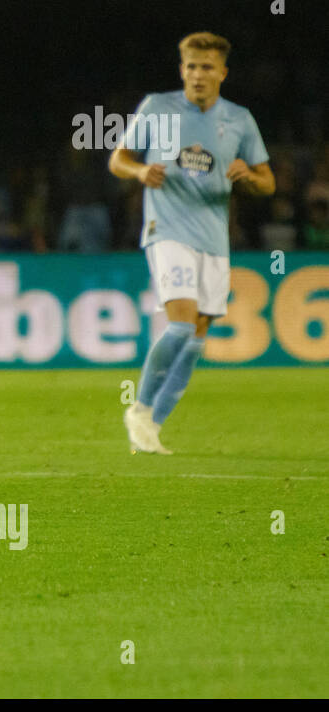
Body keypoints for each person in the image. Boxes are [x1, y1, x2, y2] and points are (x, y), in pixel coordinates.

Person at [108, 32, 274, 455]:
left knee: (196, 338)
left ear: (223, 73)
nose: (198, 74)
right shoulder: (158, 107)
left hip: (214, 239)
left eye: (206, 67)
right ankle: (140, 409)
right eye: (191, 66)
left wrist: (248, 177)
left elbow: (268, 182)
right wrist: (140, 173)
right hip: (167, 229)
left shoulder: (239, 119)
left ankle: (151, 428)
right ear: (182, 70)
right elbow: (118, 159)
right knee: (180, 325)